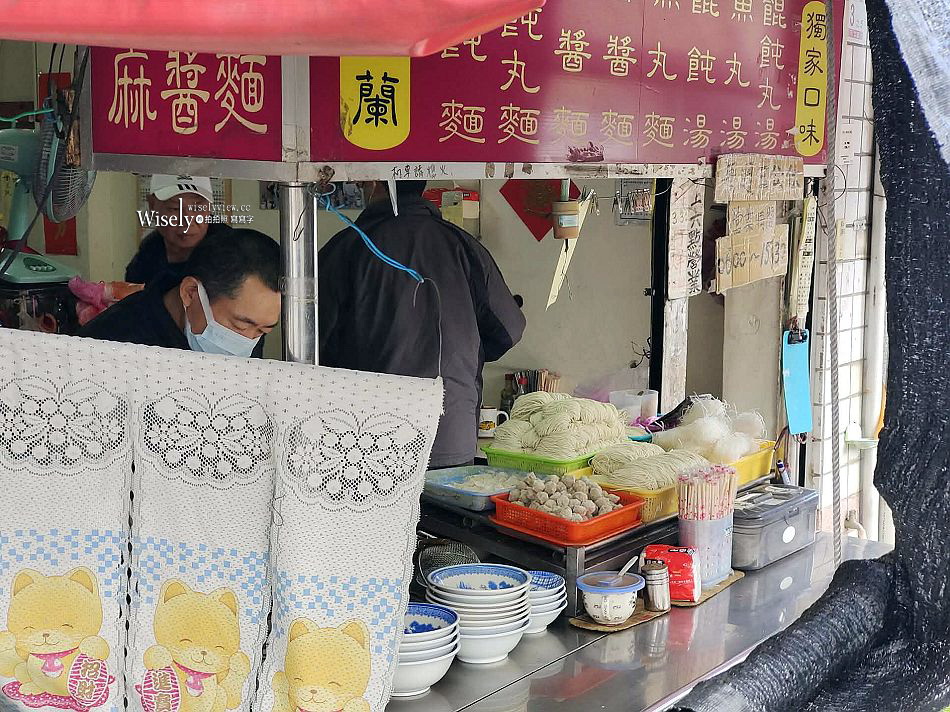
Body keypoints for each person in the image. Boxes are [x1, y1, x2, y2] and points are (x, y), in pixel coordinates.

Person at [319, 180, 525, 468]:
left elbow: (312, 349)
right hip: (449, 433)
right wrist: (463, 352)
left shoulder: (344, 248)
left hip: (367, 441)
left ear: (373, 181)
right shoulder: (464, 246)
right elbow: (508, 331)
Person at [81, 228, 280, 358]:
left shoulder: (252, 332)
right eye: (240, 325)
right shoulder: (111, 345)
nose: (247, 342)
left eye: (263, 331)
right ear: (190, 292)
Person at [125, 174, 229, 285]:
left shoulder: (233, 254)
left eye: (197, 208)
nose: (187, 221)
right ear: (152, 205)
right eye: (174, 208)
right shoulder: (146, 258)